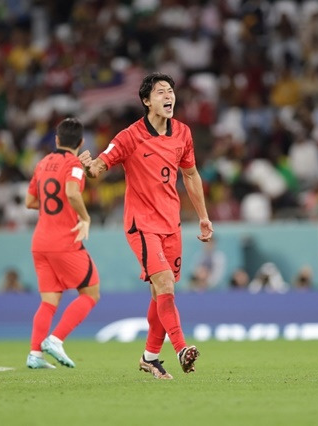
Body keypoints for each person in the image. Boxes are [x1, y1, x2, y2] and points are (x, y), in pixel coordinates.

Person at [79, 72, 213, 379]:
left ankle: (150, 358)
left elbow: (190, 176)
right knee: (164, 284)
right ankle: (181, 349)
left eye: (171, 91)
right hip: (141, 224)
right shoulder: (129, 136)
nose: (169, 96)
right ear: (146, 101)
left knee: (160, 293)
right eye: (161, 92)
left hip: (171, 223)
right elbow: (100, 166)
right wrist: (89, 167)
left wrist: (203, 216)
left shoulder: (182, 133)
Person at [25, 118, 101, 369]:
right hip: (64, 241)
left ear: (56, 140)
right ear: (81, 143)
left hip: (40, 242)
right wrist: (85, 217)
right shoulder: (74, 165)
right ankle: (56, 340)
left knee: (49, 301)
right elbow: (71, 192)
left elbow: (30, 202)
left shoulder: (43, 163)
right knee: (90, 292)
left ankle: (35, 355)